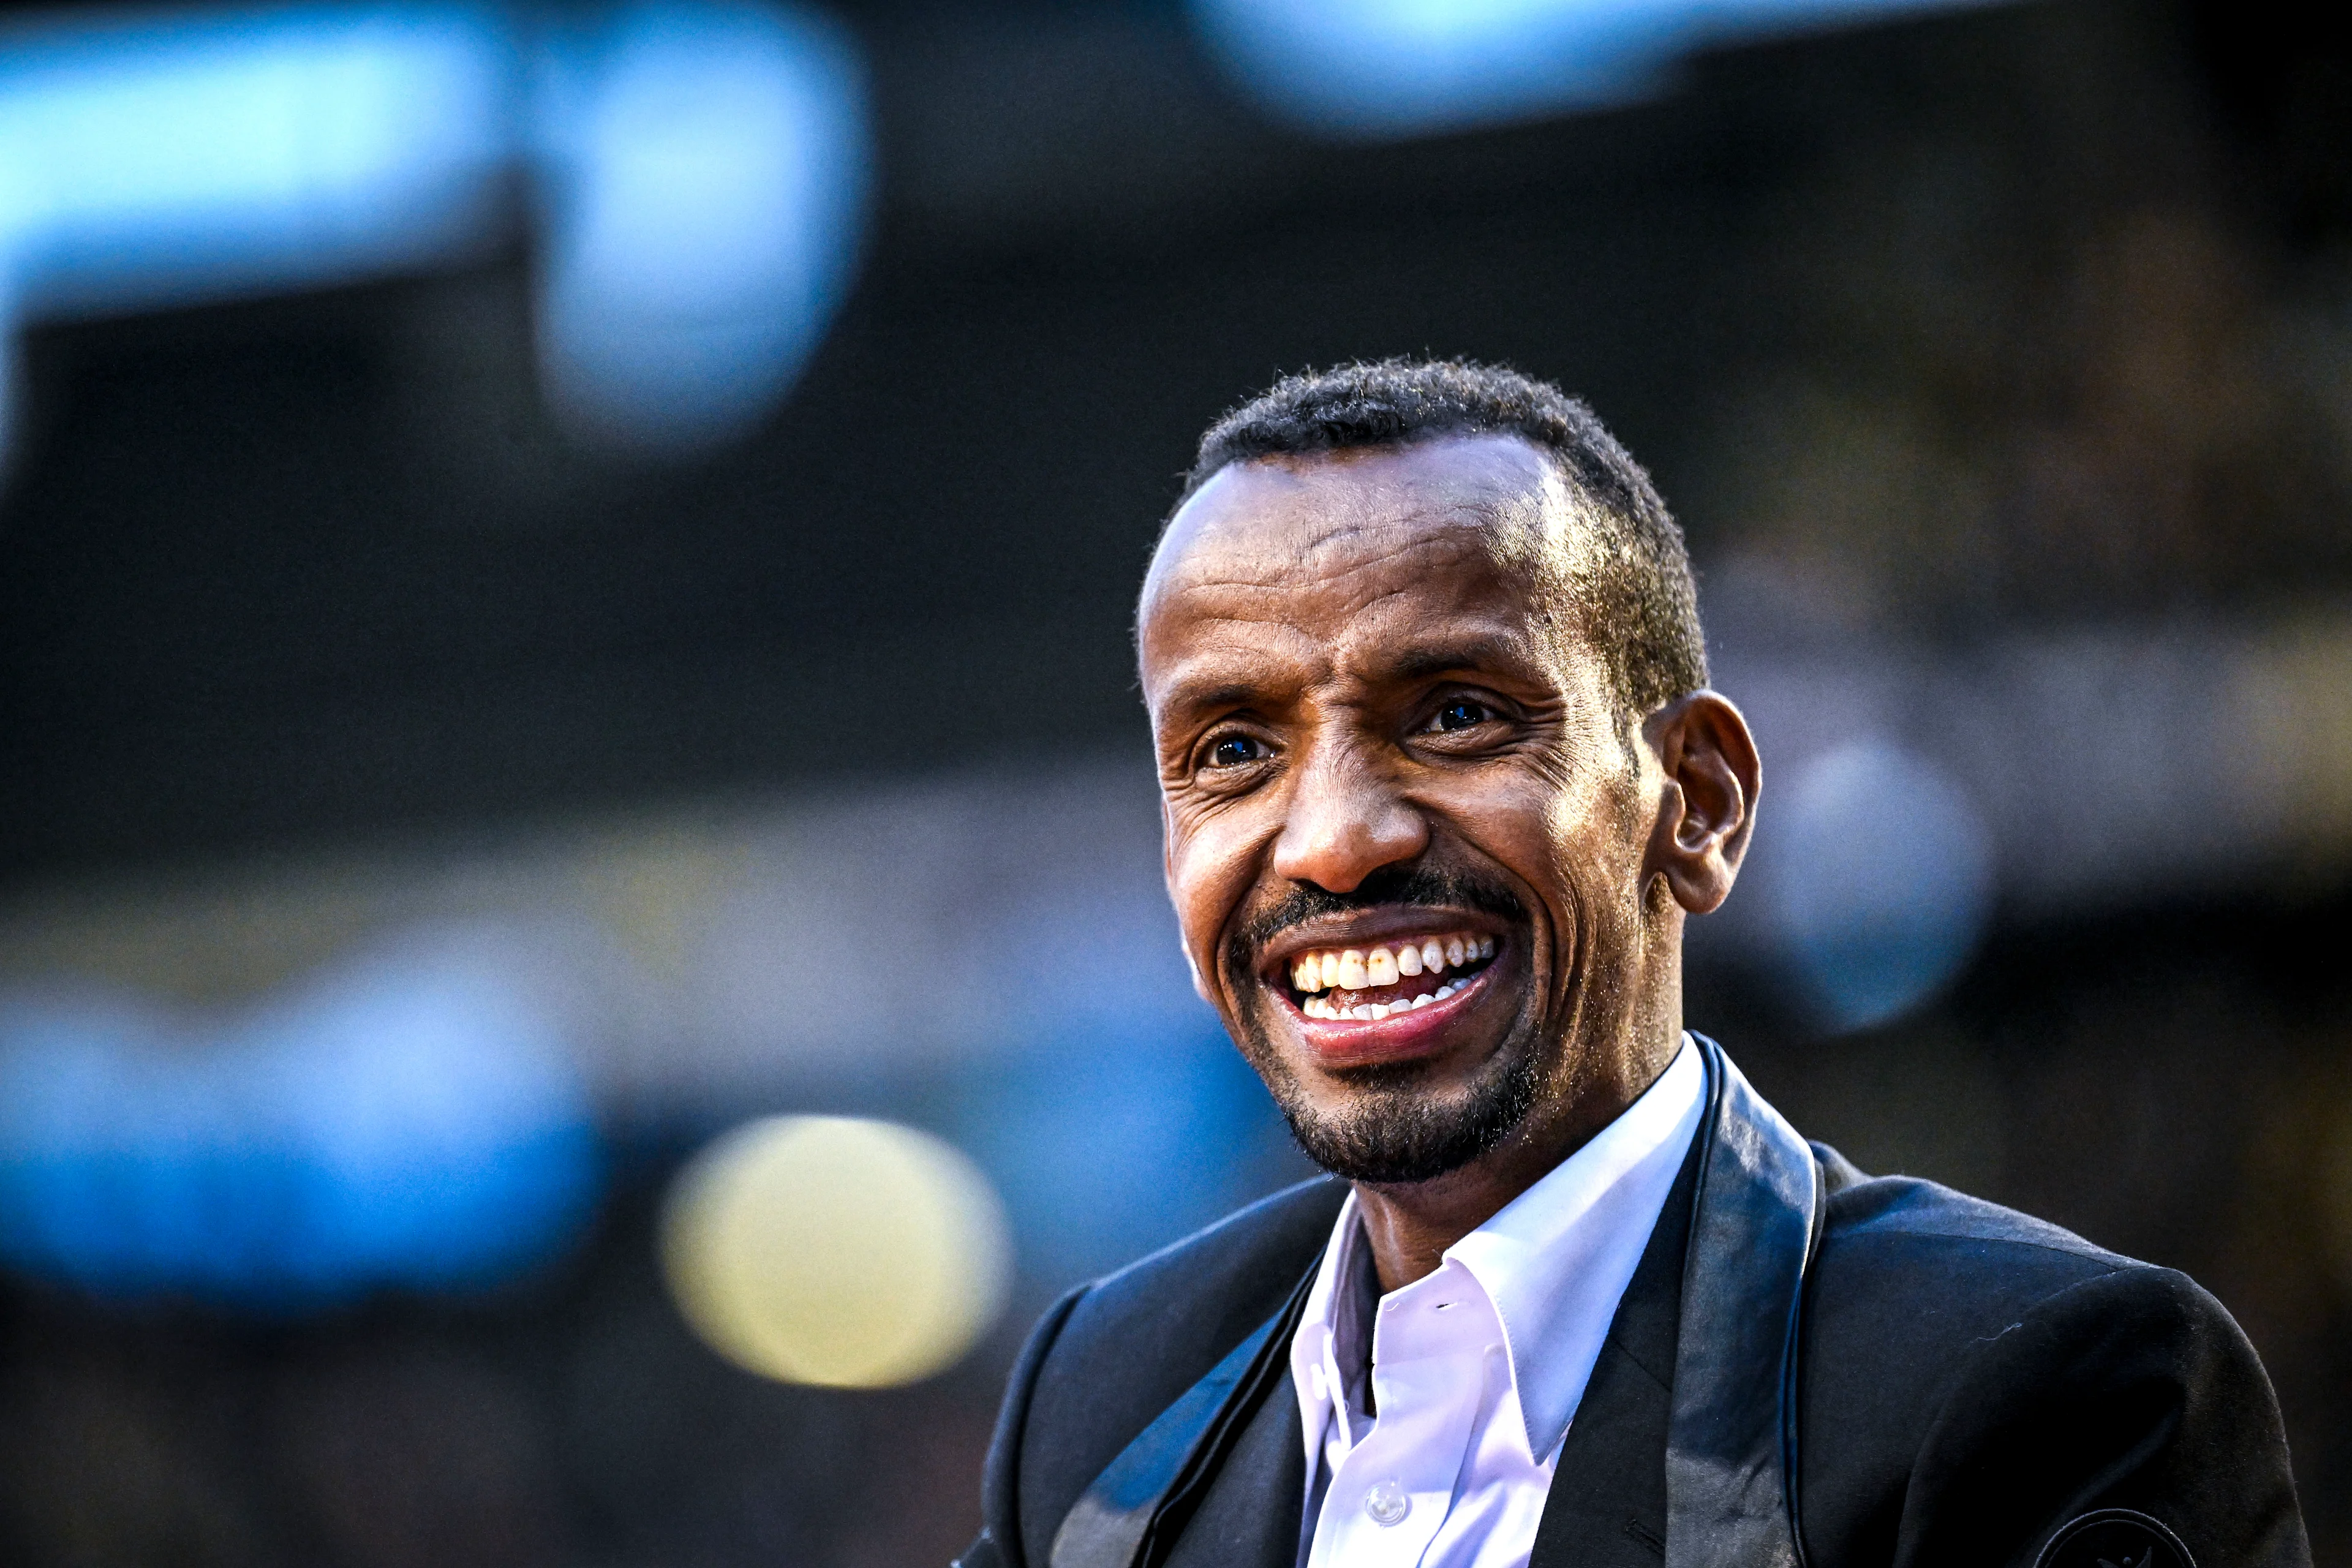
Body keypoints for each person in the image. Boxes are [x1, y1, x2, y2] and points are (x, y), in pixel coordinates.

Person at [954, 359, 2308, 1568]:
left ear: (1698, 803)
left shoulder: (2047, 1393)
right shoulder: (1101, 1400)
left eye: (1459, 714)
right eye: (1233, 751)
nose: (1335, 841)